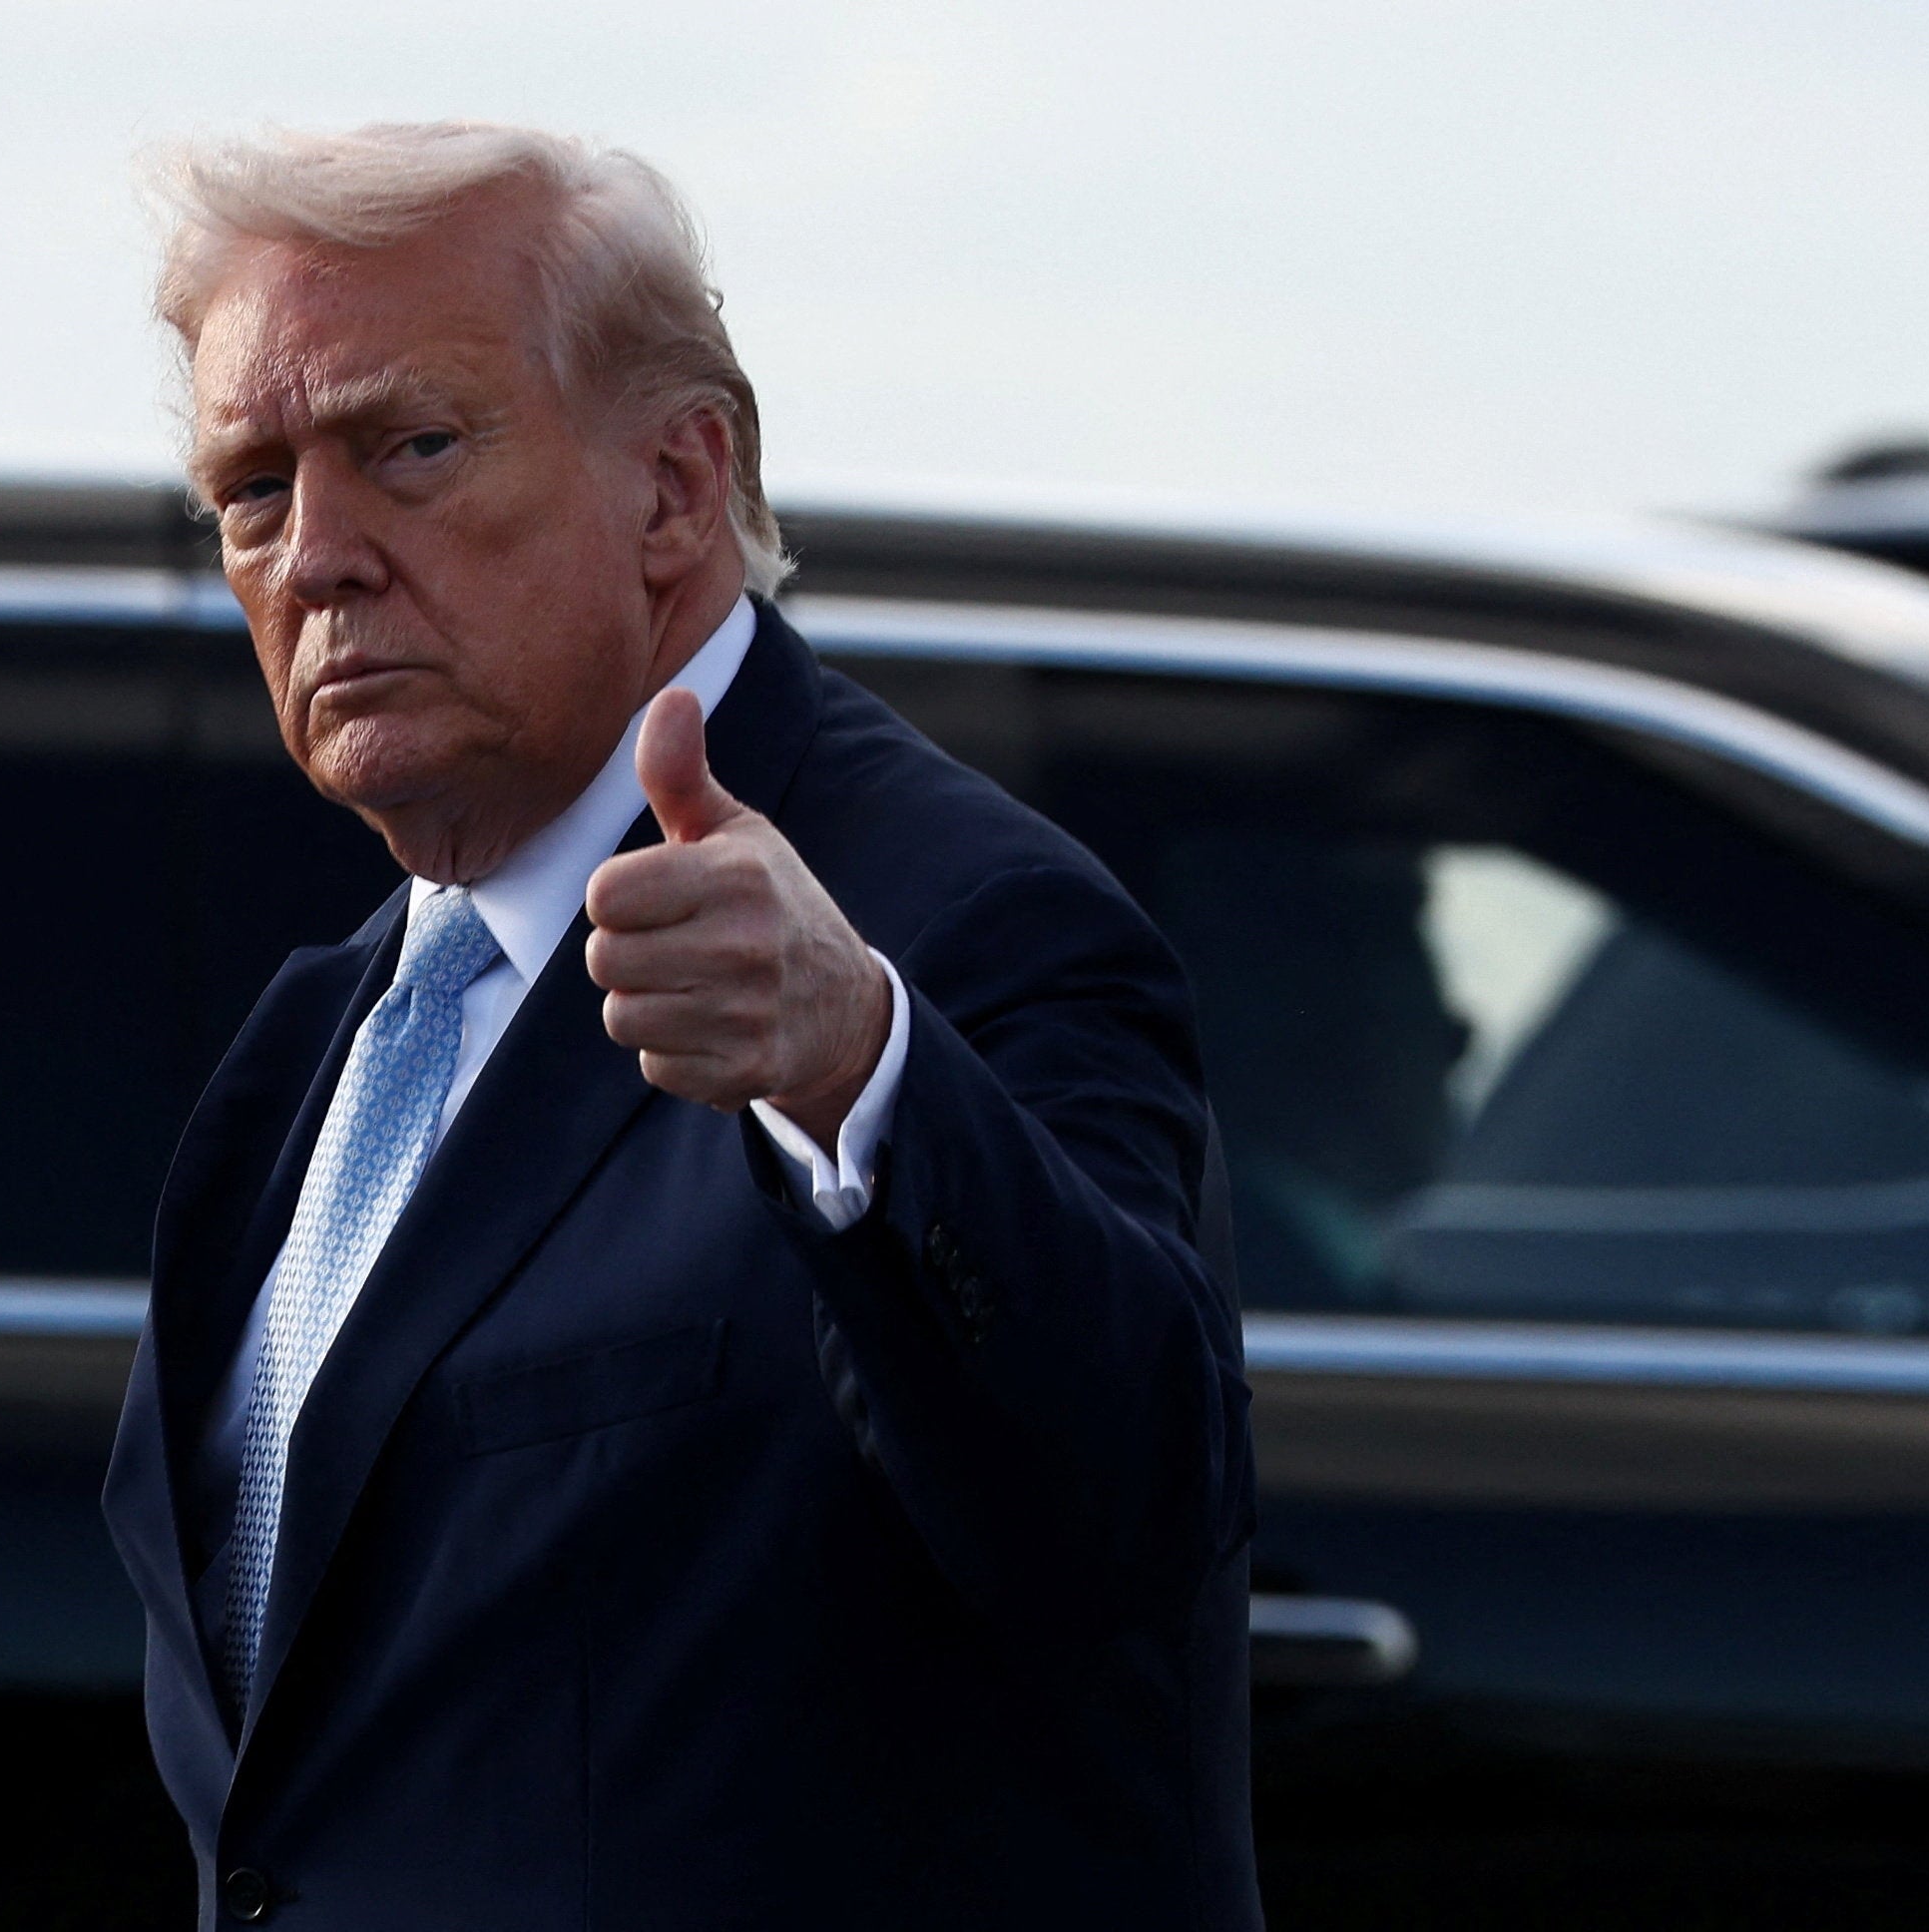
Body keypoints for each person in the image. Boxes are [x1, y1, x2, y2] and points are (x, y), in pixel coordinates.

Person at [101, 122, 1258, 1931]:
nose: (317, 553)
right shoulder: (319, 1035)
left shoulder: (943, 924)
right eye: (251, 489)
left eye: (410, 446)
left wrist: (860, 1071)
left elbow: (1125, 1516)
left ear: (673, 482)